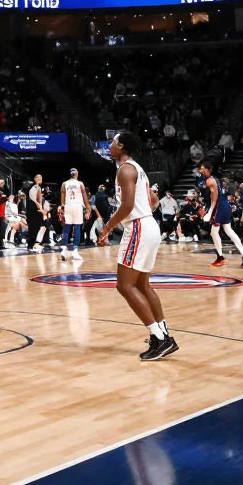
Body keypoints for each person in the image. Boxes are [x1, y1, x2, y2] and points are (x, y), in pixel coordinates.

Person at [97, 132, 176, 360]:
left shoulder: (125, 170)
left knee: (124, 286)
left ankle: (160, 339)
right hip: (149, 225)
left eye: (112, 143)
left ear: (121, 146)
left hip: (139, 228)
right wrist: (145, 217)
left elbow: (128, 205)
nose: (110, 146)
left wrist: (106, 229)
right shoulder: (137, 168)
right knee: (143, 286)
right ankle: (163, 335)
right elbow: (153, 199)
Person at [199, 160, 243, 269]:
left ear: (208, 170)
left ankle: (221, 257)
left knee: (215, 231)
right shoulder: (214, 179)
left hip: (220, 206)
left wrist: (210, 212)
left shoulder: (210, 181)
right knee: (228, 230)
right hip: (224, 205)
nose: (201, 170)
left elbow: (215, 197)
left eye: (203, 169)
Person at [58, 169, 92, 263]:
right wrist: (88, 208)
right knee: (77, 227)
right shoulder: (80, 184)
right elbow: (84, 196)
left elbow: (62, 196)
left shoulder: (64, 183)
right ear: (77, 174)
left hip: (68, 206)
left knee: (66, 228)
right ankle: (75, 251)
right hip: (77, 206)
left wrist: (62, 207)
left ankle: (64, 250)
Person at [27, 173, 50, 251]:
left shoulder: (37, 187)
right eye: (38, 177)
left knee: (35, 228)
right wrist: (40, 208)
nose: (40, 178)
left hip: (33, 210)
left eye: (41, 177)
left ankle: (32, 245)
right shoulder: (35, 187)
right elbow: (34, 199)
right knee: (34, 228)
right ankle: (32, 245)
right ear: (34, 179)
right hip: (34, 210)